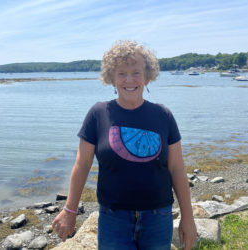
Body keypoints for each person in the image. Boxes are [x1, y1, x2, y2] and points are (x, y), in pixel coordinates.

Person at [52, 40, 197, 250]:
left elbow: (177, 169)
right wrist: (70, 210)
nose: (129, 79)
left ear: (147, 77)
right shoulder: (97, 114)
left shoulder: (163, 115)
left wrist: (188, 218)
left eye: (136, 72)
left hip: (158, 217)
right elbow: (82, 165)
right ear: (111, 78)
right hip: (113, 219)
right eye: (121, 73)